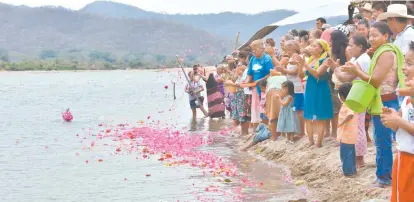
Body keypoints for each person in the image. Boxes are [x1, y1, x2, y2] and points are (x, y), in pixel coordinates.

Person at [342, 22, 406, 187]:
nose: (371, 39)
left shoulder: (385, 53)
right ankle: (387, 175)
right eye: (370, 35)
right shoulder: (383, 51)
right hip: (387, 100)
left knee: (383, 142)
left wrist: (357, 72)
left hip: (386, 102)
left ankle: (385, 178)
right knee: (386, 141)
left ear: (386, 36)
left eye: (375, 35)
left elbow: (376, 81)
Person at [329, 35, 371, 167]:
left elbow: (345, 78)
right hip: (355, 94)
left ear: (360, 47)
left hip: (359, 95)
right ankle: (357, 157)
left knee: (357, 127)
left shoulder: (362, 59)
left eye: (352, 45)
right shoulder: (356, 58)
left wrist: (334, 68)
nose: (349, 48)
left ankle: (359, 158)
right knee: (356, 126)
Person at [381, 41, 414, 202]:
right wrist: (392, 120)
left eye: (409, 63)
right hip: (404, 157)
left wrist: (398, 122)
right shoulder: (407, 98)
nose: (403, 68)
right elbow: (401, 126)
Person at [294, 39, 333, 148]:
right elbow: (302, 76)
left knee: (319, 117)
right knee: (308, 116)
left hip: (320, 89)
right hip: (310, 88)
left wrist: (304, 64)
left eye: (313, 45)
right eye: (310, 45)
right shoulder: (311, 59)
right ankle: (310, 141)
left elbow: (317, 74)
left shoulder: (325, 60)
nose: (310, 47)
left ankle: (318, 142)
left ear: (321, 48)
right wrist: (299, 65)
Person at [278, 40, 305, 137]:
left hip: (297, 88)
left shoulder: (299, 57)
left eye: (288, 50)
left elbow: (295, 72)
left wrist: (283, 69)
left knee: (299, 110)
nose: (286, 52)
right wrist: (283, 70)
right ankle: (296, 131)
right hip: (291, 88)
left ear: (293, 48)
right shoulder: (290, 59)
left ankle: (301, 132)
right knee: (293, 110)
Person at [247, 39, 274, 130]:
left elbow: (270, 73)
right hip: (255, 87)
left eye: (255, 50)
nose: (253, 52)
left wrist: (260, 80)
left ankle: (266, 129)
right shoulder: (252, 59)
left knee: (264, 108)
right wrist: (246, 82)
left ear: (262, 49)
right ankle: (257, 130)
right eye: (252, 50)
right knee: (255, 109)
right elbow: (249, 73)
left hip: (264, 87)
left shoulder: (267, 59)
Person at [326, 30, 348, 139]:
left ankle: (336, 133)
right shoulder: (335, 53)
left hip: (339, 84)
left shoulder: (343, 53)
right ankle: (336, 132)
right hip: (335, 83)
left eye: (331, 40)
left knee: (338, 110)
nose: (329, 42)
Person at [337, 83, 358, 177]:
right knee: (351, 153)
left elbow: (350, 114)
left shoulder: (347, 105)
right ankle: (353, 170)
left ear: (342, 96)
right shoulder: (353, 104)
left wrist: (342, 122)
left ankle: (349, 172)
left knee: (345, 154)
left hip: (346, 135)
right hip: (351, 134)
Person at [226, 62, 251, 135]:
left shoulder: (245, 76)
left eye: (239, 68)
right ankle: (242, 132)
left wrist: (231, 84)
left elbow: (242, 85)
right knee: (239, 116)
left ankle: (245, 132)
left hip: (242, 97)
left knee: (243, 115)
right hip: (237, 97)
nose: (237, 69)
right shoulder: (239, 77)